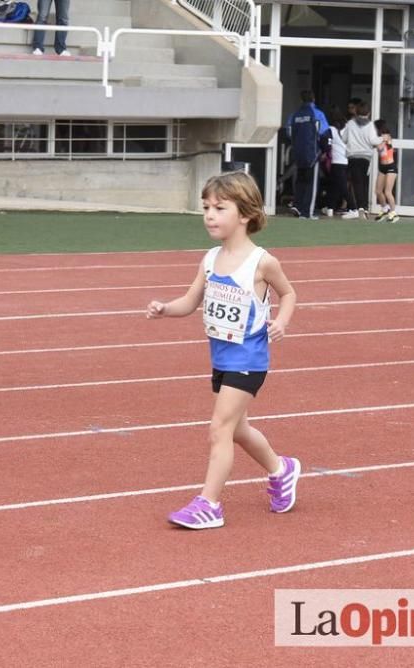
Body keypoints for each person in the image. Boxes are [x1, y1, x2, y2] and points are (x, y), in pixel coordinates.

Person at [145, 171, 300, 530]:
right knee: (238, 429)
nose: (209, 215)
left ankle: (209, 504)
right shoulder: (211, 259)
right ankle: (282, 469)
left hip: (250, 358)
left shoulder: (262, 262)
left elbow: (288, 293)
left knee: (219, 428)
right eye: (205, 208)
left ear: (244, 213)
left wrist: (282, 320)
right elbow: (189, 301)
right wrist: (165, 308)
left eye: (219, 207)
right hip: (221, 357)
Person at [285, 90, 330, 219]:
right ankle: (307, 212)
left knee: (300, 181)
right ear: (313, 99)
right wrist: (325, 150)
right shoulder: (318, 114)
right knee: (311, 184)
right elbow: (324, 133)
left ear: (301, 100)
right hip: (313, 154)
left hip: (298, 153)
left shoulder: (294, 115)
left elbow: (288, 133)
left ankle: (298, 207)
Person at [342, 101, 384, 220]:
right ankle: (364, 207)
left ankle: (360, 207)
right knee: (364, 182)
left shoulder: (350, 124)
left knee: (356, 183)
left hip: (353, 157)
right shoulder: (370, 125)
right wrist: (382, 138)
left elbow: (344, 138)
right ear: (368, 113)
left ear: (356, 112)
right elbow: (373, 140)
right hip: (365, 158)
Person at [372, 119, 398, 223]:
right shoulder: (378, 138)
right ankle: (385, 209)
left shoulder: (386, 136)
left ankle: (393, 213)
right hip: (382, 167)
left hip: (391, 167)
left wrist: (377, 141)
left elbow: (379, 147)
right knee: (378, 191)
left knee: (387, 192)